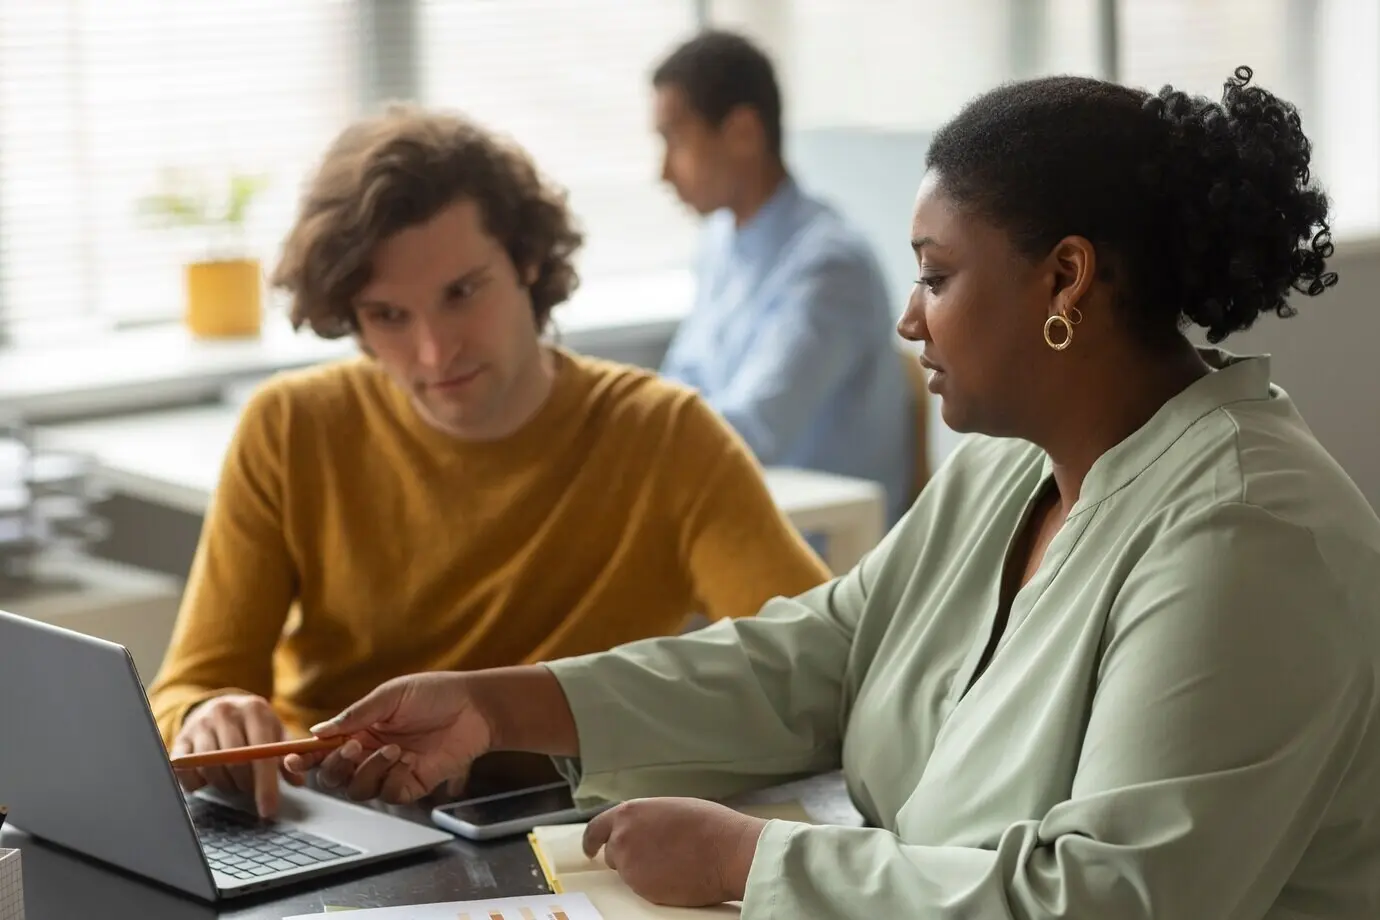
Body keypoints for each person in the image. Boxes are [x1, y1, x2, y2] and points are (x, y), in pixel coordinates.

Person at [287, 67, 1380, 917]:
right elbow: (818, 655)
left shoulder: (1248, 530)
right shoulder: (1012, 465)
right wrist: (498, 704)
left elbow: (1111, 898)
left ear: (1065, 279)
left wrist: (753, 860)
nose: (910, 320)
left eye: (936, 274)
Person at [151, 104, 832, 818]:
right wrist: (210, 716)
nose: (434, 352)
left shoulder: (665, 436)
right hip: (327, 817)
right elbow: (189, 690)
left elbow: (819, 671)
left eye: (461, 293)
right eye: (388, 315)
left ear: (526, 261)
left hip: (566, 822)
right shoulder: (290, 426)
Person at [652, 30, 919, 526]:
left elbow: (755, 431)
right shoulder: (719, 244)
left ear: (743, 134)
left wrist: (615, 436)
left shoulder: (828, 266)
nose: (663, 172)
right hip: (738, 517)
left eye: (675, 139)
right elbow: (681, 387)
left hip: (820, 547)